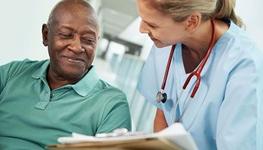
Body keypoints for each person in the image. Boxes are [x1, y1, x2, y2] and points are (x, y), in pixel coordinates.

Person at [0, 0, 131, 149]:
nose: (77, 47)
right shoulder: (12, 73)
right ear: (46, 35)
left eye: (88, 40)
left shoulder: (112, 104)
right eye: (66, 35)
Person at [136, 0, 263, 149]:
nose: (142, 29)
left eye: (152, 25)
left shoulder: (244, 65)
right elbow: (163, 113)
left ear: (191, 21)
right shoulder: (165, 43)